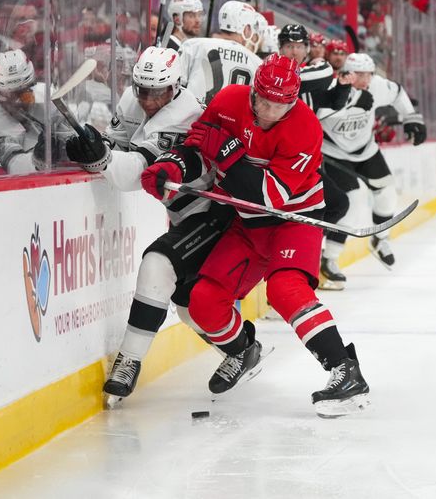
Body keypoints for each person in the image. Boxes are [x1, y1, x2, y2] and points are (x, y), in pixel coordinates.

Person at [142, 54, 370, 418]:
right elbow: (198, 148)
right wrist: (170, 166)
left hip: (293, 219)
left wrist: (229, 154)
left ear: (293, 101)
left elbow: (267, 199)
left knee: (285, 288)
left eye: (279, 105)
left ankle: (344, 370)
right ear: (253, 90)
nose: (267, 111)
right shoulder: (229, 101)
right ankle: (241, 350)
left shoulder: (304, 128)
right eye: (262, 100)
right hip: (245, 223)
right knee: (202, 301)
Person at [62, 46, 232, 407]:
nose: (148, 99)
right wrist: (96, 147)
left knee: (157, 264)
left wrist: (102, 159)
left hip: (213, 212)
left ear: (176, 87)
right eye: (142, 89)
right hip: (184, 214)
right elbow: (119, 144)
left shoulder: (183, 117)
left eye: (157, 92)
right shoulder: (135, 98)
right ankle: (243, 346)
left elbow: (133, 175)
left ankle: (128, 361)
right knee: (188, 306)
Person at [317, 53, 426, 287]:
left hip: (366, 149)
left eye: (369, 73)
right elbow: (320, 116)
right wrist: (355, 101)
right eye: (360, 74)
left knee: (387, 193)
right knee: (353, 202)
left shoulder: (376, 85)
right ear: (348, 74)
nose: (366, 79)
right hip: (334, 153)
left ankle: (380, 239)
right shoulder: (333, 89)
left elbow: (397, 92)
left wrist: (412, 118)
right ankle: (330, 259)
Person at [0, 49, 72, 173]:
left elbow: (70, 136)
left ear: (32, 86)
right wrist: (38, 160)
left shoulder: (48, 98)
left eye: (22, 94)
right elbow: (12, 163)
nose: (16, 102)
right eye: (8, 95)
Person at [178, 0, 263, 104]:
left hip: (193, 117)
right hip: (230, 118)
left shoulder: (192, 46)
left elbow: (175, 87)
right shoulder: (257, 62)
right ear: (246, 28)